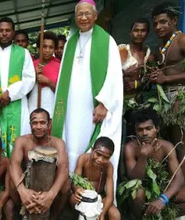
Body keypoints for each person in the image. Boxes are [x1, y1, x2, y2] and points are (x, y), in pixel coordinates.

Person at [51, 0, 123, 195]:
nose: (83, 18)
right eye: (79, 14)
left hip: (93, 105)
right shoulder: (70, 43)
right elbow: (61, 82)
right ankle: (68, 190)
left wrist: (104, 103)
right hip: (71, 105)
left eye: (87, 14)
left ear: (95, 16)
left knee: (90, 141)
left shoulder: (107, 41)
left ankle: (91, 193)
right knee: (70, 141)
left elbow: (115, 75)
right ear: (76, 18)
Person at [0, 17, 35, 157]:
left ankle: (16, 170)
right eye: (1, 30)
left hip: (17, 103)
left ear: (13, 32)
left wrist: (10, 93)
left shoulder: (23, 53)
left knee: (17, 139)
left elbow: (30, 79)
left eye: (8, 30)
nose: (4, 33)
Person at [121, 109, 185, 218]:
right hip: (143, 193)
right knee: (138, 193)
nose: (144, 133)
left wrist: (163, 199)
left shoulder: (166, 146)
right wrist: (143, 156)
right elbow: (135, 178)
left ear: (157, 129)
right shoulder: (130, 148)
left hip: (163, 191)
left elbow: (179, 178)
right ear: (136, 131)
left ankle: (165, 216)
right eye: (140, 130)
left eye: (148, 128)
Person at [10, 108, 70, 220]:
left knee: (66, 185)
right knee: (12, 181)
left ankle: (53, 217)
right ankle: (24, 212)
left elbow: (64, 169)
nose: (38, 127)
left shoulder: (58, 143)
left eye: (42, 123)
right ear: (30, 124)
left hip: (49, 185)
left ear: (49, 123)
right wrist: (22, 191)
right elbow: (14, 164)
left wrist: (51, 195)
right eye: (35, 123)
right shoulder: (22, 141)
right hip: (28, 185)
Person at [148, 2, 185, 175]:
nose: (158, 27)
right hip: (165, 99)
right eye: (155, 23)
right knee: (171, 141)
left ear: (174, 20)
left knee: (181, 142)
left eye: (163, 22)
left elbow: (168, 76)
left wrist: (167, 78)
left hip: (180, 96)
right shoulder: (161, 47)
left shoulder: (182, 40)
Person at [119, 18, 155, 136]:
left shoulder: (149, 56)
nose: (139, 34)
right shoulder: (122, 50)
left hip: (138, 103)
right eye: (136, 30)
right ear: (130, 32)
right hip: (119, 103)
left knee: (135, 135)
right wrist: (124, 74)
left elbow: (150, 82)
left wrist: (136, 84)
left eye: (143, 30)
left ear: (148, 33)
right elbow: (109, 75)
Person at [71, 137, 120, 220]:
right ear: (92, 149)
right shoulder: (83, 159)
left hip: (99, 197)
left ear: (110, 157)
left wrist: (102, 213)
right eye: (98, 154)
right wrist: (77, 190)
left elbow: (110, 196)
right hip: (83, 196)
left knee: (115, 214)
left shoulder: (109, 167)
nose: (100, 160)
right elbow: (75, 181)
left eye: (106, 157)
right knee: (73, 199)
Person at [28, 31, 60, 117]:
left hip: (51, 105)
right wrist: (34, 74)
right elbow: (25, 88)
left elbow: (61, 91)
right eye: (44, 47)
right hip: (33, 104)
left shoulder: (59, 66)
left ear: (54, 49)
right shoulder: (31, 65)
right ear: (39, 47)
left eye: (51, 47)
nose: (47, 50)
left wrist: (48, 81)